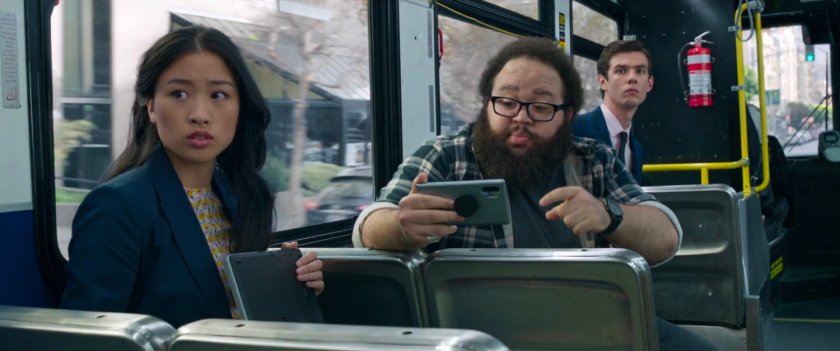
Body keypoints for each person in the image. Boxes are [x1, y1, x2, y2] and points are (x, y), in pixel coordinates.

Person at [352, 37, 715, 351]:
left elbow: (667, 237)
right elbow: (367, 227)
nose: (520, 117)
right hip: (478, 335)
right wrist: (402, 226)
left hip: (592, 324)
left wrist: (609, 216)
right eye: (506, 102)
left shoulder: (592, 160)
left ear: (566, 115)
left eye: (541, 107)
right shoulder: (447, 156)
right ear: (487, 103)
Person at [61, 26, 324, 328]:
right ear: (151, 108)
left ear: (240, 107)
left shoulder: (243, 196)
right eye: (179, 94)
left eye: (219, 95)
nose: (200, 113)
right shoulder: (116, 207)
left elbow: (242, 319)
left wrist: (289, 286)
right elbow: (88, 339)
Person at [572, 39, 654, 182]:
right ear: (603, 81)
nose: (632, 78)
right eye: (621, 71)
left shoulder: (637, 149)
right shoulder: (574, 129)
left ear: (649, 84)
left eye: (640, 71)